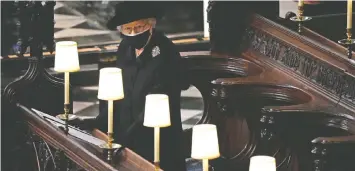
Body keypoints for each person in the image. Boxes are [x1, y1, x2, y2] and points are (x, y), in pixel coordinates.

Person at [72, 1, 187, 171]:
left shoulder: (166, 52)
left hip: (156, 140)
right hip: (127, 137)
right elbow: (120, 94)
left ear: (150, 25)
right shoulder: (125, 47)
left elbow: (156, 105)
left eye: (138, 27)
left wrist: (124, 140)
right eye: (127, 29)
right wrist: (96, 123)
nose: (133, 33)